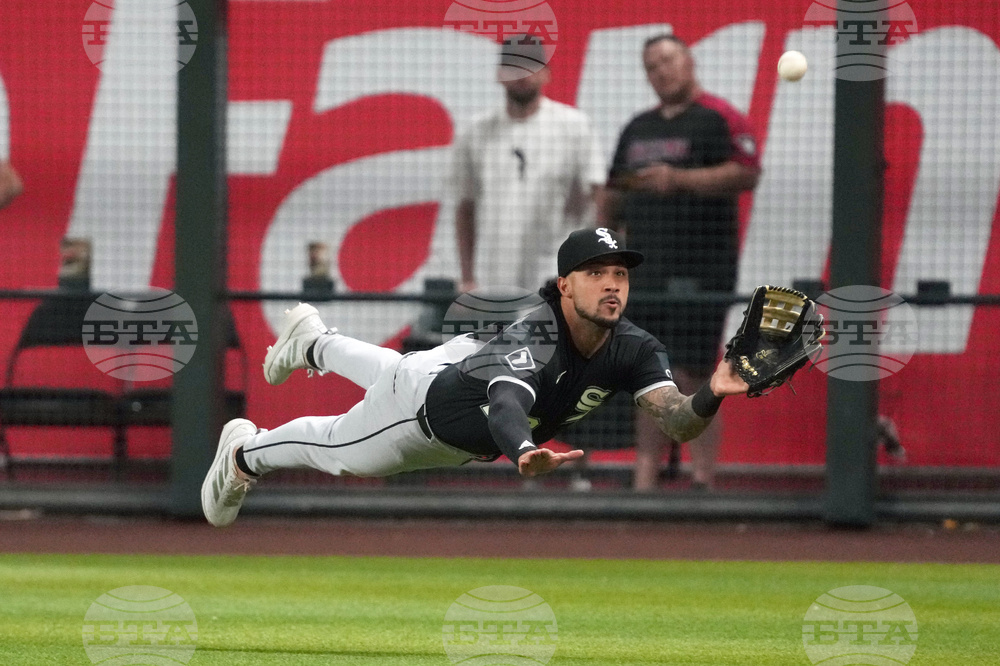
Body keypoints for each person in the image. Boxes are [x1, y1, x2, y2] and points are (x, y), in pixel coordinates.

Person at [201, 228, 751, 527]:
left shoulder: (633, 346)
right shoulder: (537, 337)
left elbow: (678, 421)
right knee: (342, 450)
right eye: (595, 274)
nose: (612, 285)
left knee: (398, 370)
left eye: (620, 275)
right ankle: (246, 453)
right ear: (564, 285)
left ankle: (316, 342)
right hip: (422, 418)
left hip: (450, 369)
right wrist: (522, 450)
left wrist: (713, 392)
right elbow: (508, 404)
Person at [599, 34, 761, 491]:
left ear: (689, 62)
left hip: (701, 267)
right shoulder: (637, 128)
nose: (661, 71)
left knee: (692, 371)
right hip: (644, 271)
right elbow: (613, 192)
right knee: (647, 373)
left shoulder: (716, 118)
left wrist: (679, 179)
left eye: (668, 60)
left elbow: (746, 172)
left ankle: (702, 479)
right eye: (652, 66)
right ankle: (644, 480)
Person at [454, 34, 604, 293]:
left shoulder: (574, 126)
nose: (522, 74)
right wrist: (467, 276)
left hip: (557, 274)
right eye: (513, 66)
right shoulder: (476, 133)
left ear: (546, 73)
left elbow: (597, 194)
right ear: (499, 75)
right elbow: (465, 206)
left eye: (530, 65)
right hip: (492, 276)